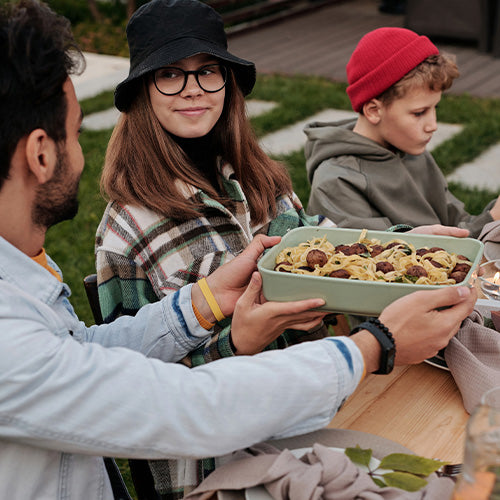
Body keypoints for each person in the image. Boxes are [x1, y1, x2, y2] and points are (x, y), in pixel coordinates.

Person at [0, 2, 478, 499]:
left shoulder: (258, 179)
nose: (192, 88)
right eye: (169, 74)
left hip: (315, 422)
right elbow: (164, 406)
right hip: (219, 471)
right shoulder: (126, 233)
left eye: (207, 71)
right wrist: (254, 342)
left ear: (228, 84)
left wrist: (401, 248)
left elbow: (330, 252)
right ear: (40, 152)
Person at [305, 27, 500, 238]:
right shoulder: (337, 182)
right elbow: (375, 261)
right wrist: (491, 219)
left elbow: (456, 226)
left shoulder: (410, 148)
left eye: (436, 108)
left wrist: (493, 215)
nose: (433, 125)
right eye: (419, 113)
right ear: (374, 111)